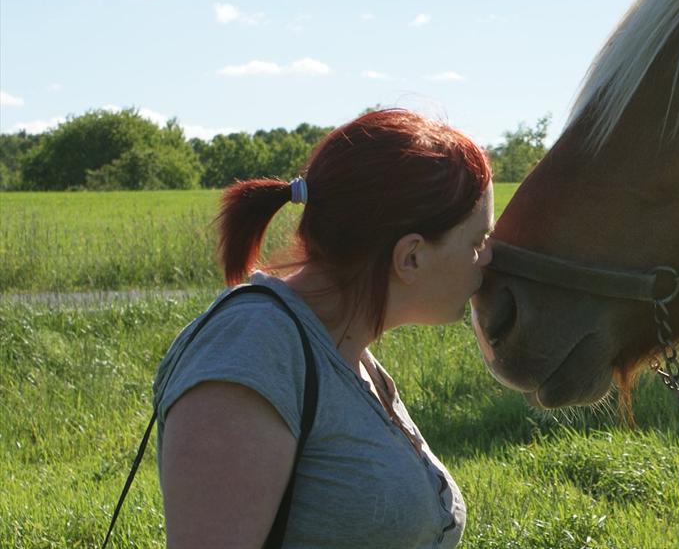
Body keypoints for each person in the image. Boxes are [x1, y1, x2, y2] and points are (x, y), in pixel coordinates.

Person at [152, 108, 494, 549]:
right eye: (477, 242)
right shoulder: (250, 351)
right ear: (410, 256)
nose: (488, 260)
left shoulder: (345, 353)